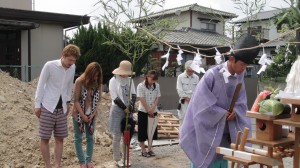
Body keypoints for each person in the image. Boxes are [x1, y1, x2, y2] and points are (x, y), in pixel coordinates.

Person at [180, 34, 259, 168]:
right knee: (205, 159)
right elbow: (200, 105)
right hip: (207, 129)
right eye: (242, 65)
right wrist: (222, 113)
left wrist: (236, 112)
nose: (243, 69)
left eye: (246, 66)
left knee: (222, 158)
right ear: (232, 59)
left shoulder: (239, 77)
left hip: (224, 129)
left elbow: (241, 102)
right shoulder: (211, 75)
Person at [34, 44, 81, 168]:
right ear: (63, 56)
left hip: (62, 108)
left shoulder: (72, 67)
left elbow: (69, 85)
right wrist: (37, 105)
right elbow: (40, 84)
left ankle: (57, 165)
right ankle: (48, 165)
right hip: (47, 106)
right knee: (45, 138)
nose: (71, 63)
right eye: (70, 60)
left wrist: (67, 102)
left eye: (74, 60)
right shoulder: (49, 66)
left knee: (60, 138)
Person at [72, 62, 102, 168]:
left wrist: (93, 114)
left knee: (90, 137)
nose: (96, 77)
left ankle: (88, 160)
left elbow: (98, 100)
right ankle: (82, 162)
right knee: (78, 138)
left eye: (97, 75)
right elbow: (75, 101)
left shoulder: (97, 83)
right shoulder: (79, 81)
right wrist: (83, 115)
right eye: (94, 74)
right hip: (79, 114)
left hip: (91, 114)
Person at [108, 60, 136, 167]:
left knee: (127, 134)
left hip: (128, 110)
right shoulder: (113, 81)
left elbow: (133, 94)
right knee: (117, 136)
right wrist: (124, 108)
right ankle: (117, 158)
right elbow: (115, 97)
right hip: (117, 110)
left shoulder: (130, 80)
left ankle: (125, 157)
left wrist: (131, 105)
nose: (126, 75)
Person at [137, 70, 161, 157]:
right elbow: (141, 98)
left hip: (153, 111)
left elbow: (158, 97)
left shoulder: (157, 85)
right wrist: (148, 109)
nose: (153, 82)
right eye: (151, 79)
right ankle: (143, 150)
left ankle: (150, 149)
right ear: (147, 77)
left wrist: (153, 107)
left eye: (154, 80)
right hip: (143, 111)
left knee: (152, 131)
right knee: (142, 131)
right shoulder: (141, 86)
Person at [176, 60, 199, 125]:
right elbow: (179, 90)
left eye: (192, 71)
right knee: (183, 119)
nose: (190, 72)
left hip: (193, 101)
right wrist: (188, 99)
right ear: (186, 69)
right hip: (184, 102)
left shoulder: (196, 77)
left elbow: (198, 90)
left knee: (193, 119)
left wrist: (193, 100)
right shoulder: (180, 77)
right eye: (189, 71)